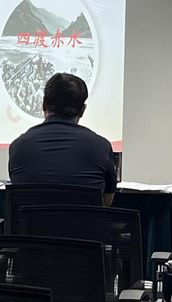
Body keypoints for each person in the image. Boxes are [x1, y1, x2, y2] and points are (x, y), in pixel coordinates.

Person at [8, 73, 117, 206]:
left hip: (33, 221)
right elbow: (106, 202)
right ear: (82, 110)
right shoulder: (101, 147)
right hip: (83, 220)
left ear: (43, 104)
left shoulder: (18, 147)